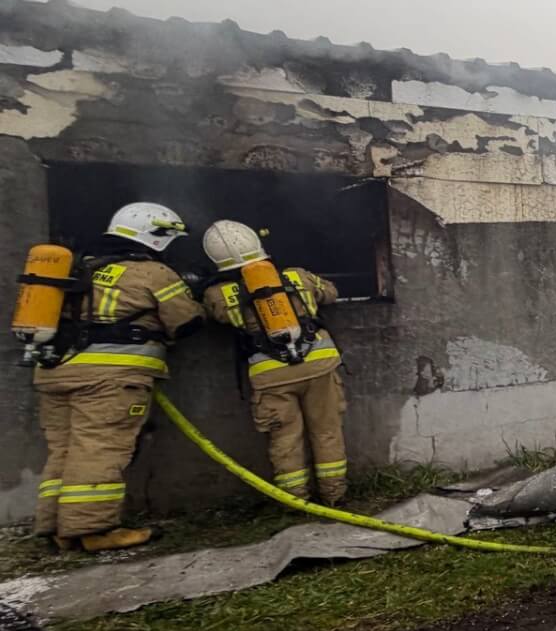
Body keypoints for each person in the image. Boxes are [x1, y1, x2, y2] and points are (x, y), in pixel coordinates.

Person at [34, 202, 204, 552]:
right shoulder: (152, 273)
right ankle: (95, 530)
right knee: (101, 448)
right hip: (110, 378)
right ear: (154, 236)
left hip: (55, 370)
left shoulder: (80, 267)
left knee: (64, 449)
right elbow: (186, 321)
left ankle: (58, 528)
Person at [198, 221, 349, 505]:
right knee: (327, 431)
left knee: (285, 438)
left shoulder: (217, 294)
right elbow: (330, 292)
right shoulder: (296, 276)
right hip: (319, 364)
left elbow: (211, 315)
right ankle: (335, 497)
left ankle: (296, 501)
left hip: (271, 375)